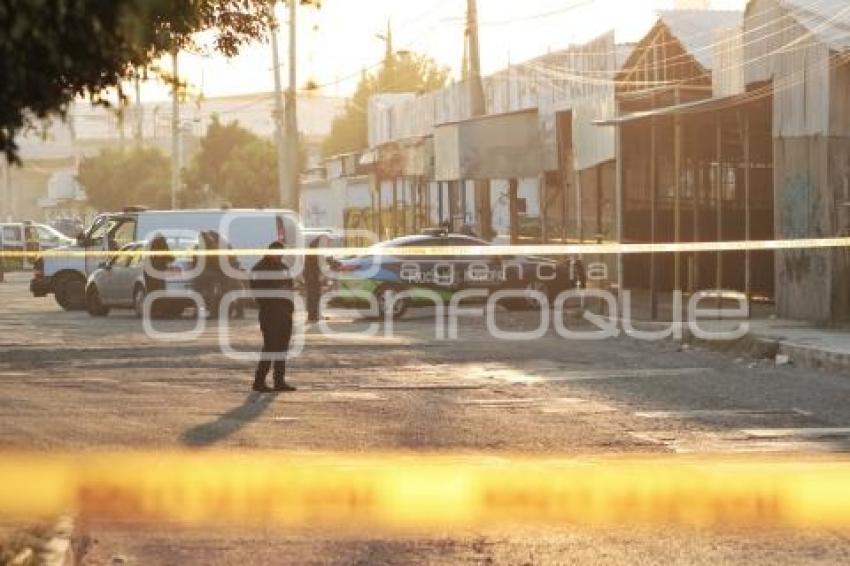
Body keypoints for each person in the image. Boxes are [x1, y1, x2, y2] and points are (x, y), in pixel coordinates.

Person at [250, 241, 295, 393]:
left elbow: (290, 288)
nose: (279, 256)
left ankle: (279, 381)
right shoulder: (259, 269)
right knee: (270, 347)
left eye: (281, 253)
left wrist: (289, 308)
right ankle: (259, 381)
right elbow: (259, 293)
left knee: (282, 348)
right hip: (269, 313)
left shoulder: (283, 268)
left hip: (284, 313)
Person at [144, 234, 174, 318]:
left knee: (152, 292)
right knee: (160, 292)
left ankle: (153, 311)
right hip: (158, 272)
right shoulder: (162, 247)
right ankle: (160, 311)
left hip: (149, 273)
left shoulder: (150, 248)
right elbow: (170, 257)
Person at [304, 235, 326, 322]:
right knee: (314, 296)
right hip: (312, 277)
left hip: (311, 276)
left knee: (314, 296)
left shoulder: (313, 250)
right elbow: (318, 264)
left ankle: (314, 315)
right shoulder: (314, 251)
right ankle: (313, 316)